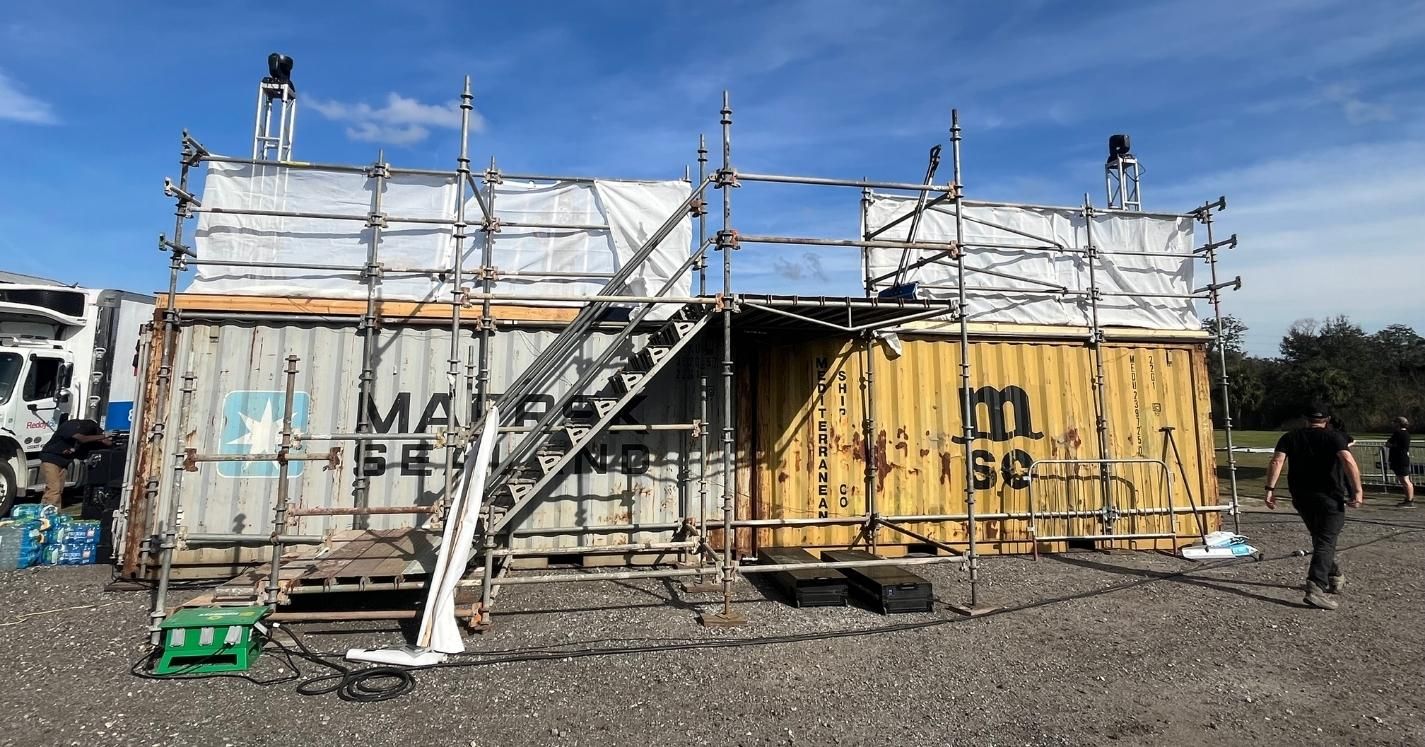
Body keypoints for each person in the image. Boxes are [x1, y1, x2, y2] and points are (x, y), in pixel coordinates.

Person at [1264, 405, 1363, 610]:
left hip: (1301, 496)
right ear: (1327, 419)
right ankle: (1316, 587)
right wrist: (1357, 490)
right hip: (1329, 496)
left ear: (1305, 419)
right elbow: (1348, 460)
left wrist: (1270, 489)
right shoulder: (1335, 437)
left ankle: (1334, 575)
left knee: (1320, 538)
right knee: (1326, 540)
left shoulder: (1290, 437)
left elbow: (1277, 461)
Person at [37, 418, 111, 507]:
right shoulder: (70, 426)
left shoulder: (85, 431)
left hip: (63, 462)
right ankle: (49, 511)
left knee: (58, 488)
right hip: (50, 459)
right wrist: (103, 436)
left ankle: (49, 508)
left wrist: (109, 438)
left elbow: (104, 442)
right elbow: (82, 438)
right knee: (54, 488)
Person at [1387, 417, 1414, 507]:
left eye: (1395, 423)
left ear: (1398, 424)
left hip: (1400, 459)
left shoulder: (1398, 433)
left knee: (1405, 480)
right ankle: (1408, 498)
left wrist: (1392, 445)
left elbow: (1388, 444)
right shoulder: (1406, 433)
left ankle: (1409, 500)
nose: (1393, 424)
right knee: (1404, 480)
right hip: (1402, 458)